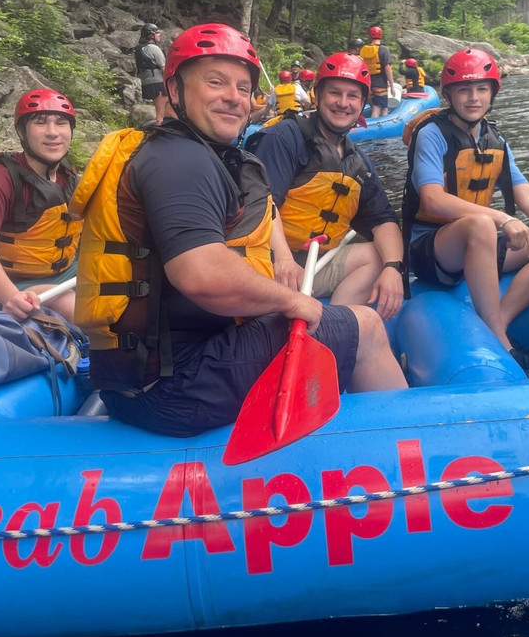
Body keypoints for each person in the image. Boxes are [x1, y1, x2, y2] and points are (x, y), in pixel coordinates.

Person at [71, 23, 407, 437]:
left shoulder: (176, 151)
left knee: (311, 320)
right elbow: (203, 274)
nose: (234, 97)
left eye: (243, 88)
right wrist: (297, 302)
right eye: (215, 82)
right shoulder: (180, 162)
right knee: (367, 327)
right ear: (174, 90)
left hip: (138, 381)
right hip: (177, 387)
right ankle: (411, 451)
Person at [403, 48, 529, 360]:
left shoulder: (496, 140)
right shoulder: (432, 135)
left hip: (482, 244)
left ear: (492, 94)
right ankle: (503, 344)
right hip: (431, 249)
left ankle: (497, 321)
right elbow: (432, 199)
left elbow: (528, 196)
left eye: (481, 89)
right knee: (480, 224)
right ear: (449, 95)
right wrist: (501, 219)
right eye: (464, 90)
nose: (473, 97)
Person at [246, 53, 404, 319]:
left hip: (313, 266)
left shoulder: (358, 163)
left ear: (362, 103)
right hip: (268, 262)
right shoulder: (285, 137)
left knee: (377, 255)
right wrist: (283, 259)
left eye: (352, 96)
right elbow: (262, 201)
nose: (343, 103)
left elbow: (383, 219)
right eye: (335, 93)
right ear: (317, 95)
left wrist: (393, 267)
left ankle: (335, 324)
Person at [0, 89, 83, 322]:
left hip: (67, 273)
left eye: (61, 123)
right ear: (21, 131)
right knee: (73, 307)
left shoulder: (68, 174)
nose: (53, 133)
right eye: (40, 123)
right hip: (14, 283)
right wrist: (9, 295)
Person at [135, 23, 168, 125]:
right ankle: (160, 133)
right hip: (158, 83)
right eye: (157, 33)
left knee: (160, 110)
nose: (159, 35)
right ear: (151, 35)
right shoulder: (154, 48)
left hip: (147, 83)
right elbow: (164, 68)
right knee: (161, 114)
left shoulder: (139, 48)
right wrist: (169, 83)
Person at [359, 26, 395, 118]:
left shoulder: (364, 50)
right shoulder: (384, 49)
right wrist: (391, 85)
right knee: (381, 109)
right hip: (380, 84)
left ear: (369, 36)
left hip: (368, 83)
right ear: (381, 35)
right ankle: (379, 131)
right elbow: (387, 69)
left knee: (374, 106)